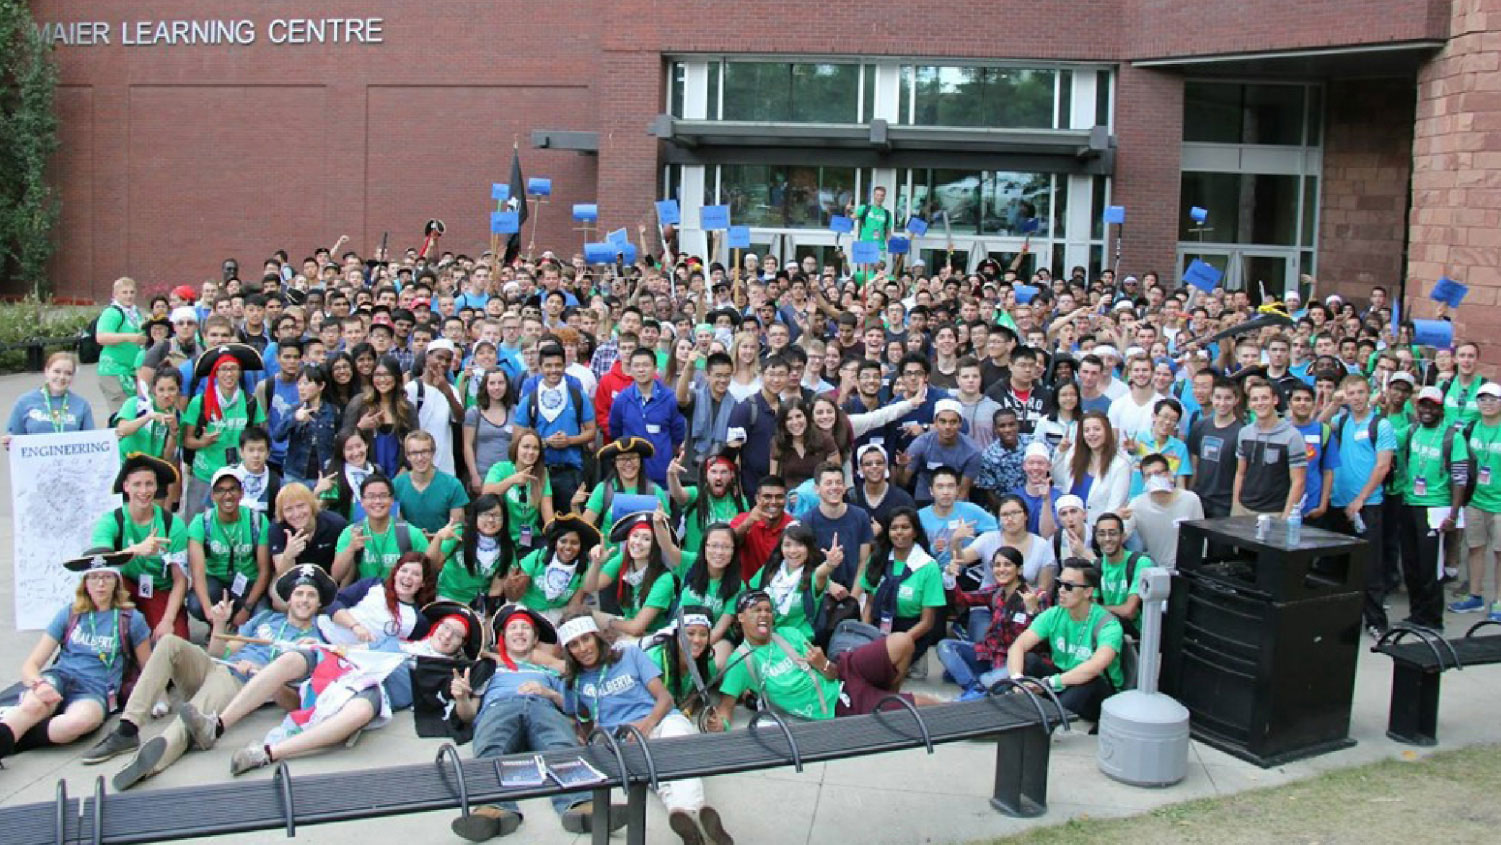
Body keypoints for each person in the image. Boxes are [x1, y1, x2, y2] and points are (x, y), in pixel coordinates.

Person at [83, 564, 335, 790]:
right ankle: (128, 728)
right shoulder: (266, 618)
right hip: (216, 666)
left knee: (194, 712)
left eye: (311, 595)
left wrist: (266, 679)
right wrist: (219, 624)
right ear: (289, 599)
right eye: (299, 594)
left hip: (239, 683)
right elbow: (219, 652)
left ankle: (151, 762)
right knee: (170, 643)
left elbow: (298, 702)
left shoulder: (314, 641)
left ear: (319, 603)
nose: (304, 600)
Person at [180, 598, 480, 776]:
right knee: (294, 657)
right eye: (445, 627)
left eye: (456, 635)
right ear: (435, 627)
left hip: (374, 688)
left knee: (362, 710)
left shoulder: (445, 672)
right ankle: (216, 725)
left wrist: (462, 696)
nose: (447, 635)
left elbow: (463, 715)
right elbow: (352, 645)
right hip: (347, 664)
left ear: (459, 647)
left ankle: (269, 753)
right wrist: (324, 645)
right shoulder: (396, 640)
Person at [449, 605, 624, 841]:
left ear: (535, 637)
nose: (519, 632)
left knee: (562, 745)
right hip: (499, 707)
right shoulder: (489, 668)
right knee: (490, 746)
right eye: (513, 628)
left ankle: (581, 804)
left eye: (526, 628)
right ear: (503, 636)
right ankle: (493, 809)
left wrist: (548, 692)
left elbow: (571, 706)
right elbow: (469, 715)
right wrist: (461, 698)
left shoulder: (551, 670)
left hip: (542, 706)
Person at [558, 613, 732, 845]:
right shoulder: (573, 682)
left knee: (675, 753)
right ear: (567, 650)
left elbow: (665, 698)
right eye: (573, 645)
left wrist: (648, 723)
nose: (582, 648)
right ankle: (697, 821)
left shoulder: (630, 654)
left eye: (586, 639)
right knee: (656, 772)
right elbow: (580, 719)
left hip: (661, 720)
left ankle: (689, 818)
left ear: (597, 637)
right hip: (627, 741)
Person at [1, 550, 152, 762]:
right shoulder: (71, 613)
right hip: (61, 677)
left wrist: (157, 699)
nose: (100, 584)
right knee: (33, 705)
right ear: (85, 583)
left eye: (106, 577)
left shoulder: (132, 619)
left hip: (96, 689)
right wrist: (39, 684)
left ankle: (12, 739)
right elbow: (31, 665)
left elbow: (149, 668)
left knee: (76, 723)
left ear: (116, 582)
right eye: (94, 577)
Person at [711, 590, 941, 727]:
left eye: (767, 610)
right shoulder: (741, 662)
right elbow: (725, 708)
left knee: (902, 642)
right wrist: (717, 724)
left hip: (845, 671)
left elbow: (831, 672)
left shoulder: (790, 634)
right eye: (755, 611)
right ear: (740, 617)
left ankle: (886, 694)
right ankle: (965, 718)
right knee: (922, 707)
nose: (763, 615)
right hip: (838, 703)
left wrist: (824, 664)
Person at [1324, 373, 1399, 635]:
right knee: (1337, 565)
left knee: (1369, 567)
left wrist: (1361, 499)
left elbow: (1383, 466)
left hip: (1367, 505)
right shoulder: (1341, 420)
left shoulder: (1380, 425)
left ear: (1369, 394)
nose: (1356, 398)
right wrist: (1333, 404)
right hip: (1337, 502)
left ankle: (1377, 622)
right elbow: (1314, 426)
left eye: (1360, 392)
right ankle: (1342, 618)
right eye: (1351, 393)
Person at [89, 453, 191, 641]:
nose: (144, 491)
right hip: (123, 587)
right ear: (126, 487)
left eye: (149, 484)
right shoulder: (112, 521)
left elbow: (180, 579)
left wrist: (168, 619)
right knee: (112, 632)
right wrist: (135, 550)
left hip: (159, 589)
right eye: (137, 484)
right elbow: (100, 564)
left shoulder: (173, 525)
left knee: (175, 641)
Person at [1006, 560, 1122, 721]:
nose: (1061, 590)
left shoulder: (1108, 624)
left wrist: (1048, 683)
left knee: (1088, 681)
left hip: (1097, 693)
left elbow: (1094, 667)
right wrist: (1017, 679)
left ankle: (1044, 723)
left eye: (1069, 586)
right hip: (1063, 680)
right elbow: (1017, 646)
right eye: (1059, 584)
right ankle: (1018, 713)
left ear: (1088, 592)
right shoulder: (1054, 614)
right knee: (1029, 661)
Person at [1400, 386, 1468, 631]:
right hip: (1409, 504)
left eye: (1432, 406)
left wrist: (1453, 514)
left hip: (1436, 508)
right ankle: (1416, 614)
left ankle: (1433, 619)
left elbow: (1460, 478)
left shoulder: (1453, 437)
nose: (1426, 411)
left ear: (1441, 409)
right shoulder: (1412, 430)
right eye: (1422, 405)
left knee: (1430, 566)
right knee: (1411, 563)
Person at [938, 545, 1045, 696]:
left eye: (1007, 564)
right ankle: (974, 688)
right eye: (997, 565)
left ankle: (980, 683)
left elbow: (1043, 640)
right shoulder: (996, 592)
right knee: (945, 646)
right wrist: (949, 576)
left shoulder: (1036, 596)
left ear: (1019, 570)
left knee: (986, 680)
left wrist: (1032, 611)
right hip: (990, 654)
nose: (1001, 569)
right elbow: (961, 599)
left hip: (1017, 662)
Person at [182, 344, 267, 519]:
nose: (229, 374)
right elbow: (187, 440)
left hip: (238, 476)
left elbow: (258, 438)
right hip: (205, 474)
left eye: (233, 368)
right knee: (195, 524)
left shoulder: (250, 402)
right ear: (216, 373)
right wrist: (203, 442)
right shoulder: (200, 402)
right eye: (223, 369)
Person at [860, 507, 946, 669]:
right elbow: (869, 605)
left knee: (884, 671)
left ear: (915, 532)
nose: (899, 532)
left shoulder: (928, 566)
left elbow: (927, 622)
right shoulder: (877, 559)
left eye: (905, 527)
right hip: (878, 629)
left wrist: (897, 644)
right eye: (894, 528)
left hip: (912, 632)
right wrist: (866, 636)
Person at [515, 343, 597, 513]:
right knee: (539, 525)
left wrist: (570, 441)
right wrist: (544, 443)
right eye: (548, 366)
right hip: (538, 472)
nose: (553, 370)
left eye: (558, 365)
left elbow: (591, 432)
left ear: (564, 365)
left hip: (571, 472)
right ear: (540, 367)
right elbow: (517, 438)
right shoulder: (530, 399)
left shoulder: (577, 396)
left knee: (571, 524)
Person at [186, 467, 271, 626]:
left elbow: (264, 570)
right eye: (220, 490)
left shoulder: (257, 521)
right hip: (215, 581)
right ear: (212, 496)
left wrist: (246, 609)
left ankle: (240, 626)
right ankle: (217, 627)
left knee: (262, 615)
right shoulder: (201, 523)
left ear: (242, 493)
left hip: (248, 582)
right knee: (196, 604)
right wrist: (209, 613)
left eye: (233, 489)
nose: (227, 495)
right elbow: (197, 572)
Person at [586, 511, 680, 638]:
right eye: (635, 536)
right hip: (626, 628)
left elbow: (637, 628)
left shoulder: (664, 579)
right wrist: (596, 563)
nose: (638, 543)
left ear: (657, 545)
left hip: (653, 638)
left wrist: (609, 622)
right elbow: (590, 587)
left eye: (646, 539)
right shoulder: (623, 559)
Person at [1454, 382, 1501, 622]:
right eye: (1483, 399)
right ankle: (1475, 595)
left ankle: (1499, 602)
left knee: (1500, 552)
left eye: (1493, 399)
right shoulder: (1471, 429)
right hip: (1475, 499)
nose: (1488, 404)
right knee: (1475, 548)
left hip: (1500, 502)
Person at [609, 347, 687, 486]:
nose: (641, 370)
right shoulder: (622, 399)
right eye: (636, 366)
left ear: (655, 368)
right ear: (630, 369)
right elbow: (616, 432)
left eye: (645, 365)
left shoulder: (669, 398)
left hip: (662, 475)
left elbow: (678, 434)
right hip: (630, 476)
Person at [332, 475, 429, 583]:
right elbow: (336, 576)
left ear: (392, 500)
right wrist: (351, 548)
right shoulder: (351, 533)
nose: (377, 501)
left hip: (401, 594)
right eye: (371, 496)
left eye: (383, 496)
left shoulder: (411, 534)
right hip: (365, 594)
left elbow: (429, 572)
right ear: (362, 501)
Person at [1232, 382, 1308, 518]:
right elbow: (1240, 473)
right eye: (1255, 399)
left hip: (1275, 513)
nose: (1260, 403)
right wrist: (1236, 506)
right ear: (1249, 404)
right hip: (1243, 510)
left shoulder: (1292, 436)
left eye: (1264, 398)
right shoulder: (1244, 433)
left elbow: (1298, 481)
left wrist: (1286, 517)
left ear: (1275, 400)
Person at [428, 494, 518, 606]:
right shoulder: (459, 534)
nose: (490, 520)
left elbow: (495, 591)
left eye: (496, 515)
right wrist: (439, 537)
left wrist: (487, 614)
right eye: (485, 514)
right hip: (447, 596)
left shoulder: (507, 548)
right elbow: (429, 564)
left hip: (478, 605)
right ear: (475, 516)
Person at [509, 515, 603, 622]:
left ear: (581, 546)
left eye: (574, 543)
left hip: (557, 615)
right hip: (525, 610)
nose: (568, 547)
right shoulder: (537, 557)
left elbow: (574, 605)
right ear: (555, 543)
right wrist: (512, 587)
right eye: (563, 541)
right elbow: (513, 597)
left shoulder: (583, 568)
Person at [1120, 454, 1203, 569]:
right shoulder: (1137, 505)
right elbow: (1121, 536)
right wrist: (1117, 518)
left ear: (1169, 474)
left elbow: (1199, 537)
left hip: (1187, 569)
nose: (1154, 479)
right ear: (1144, 480)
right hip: (1157, 569)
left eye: (1158, 473)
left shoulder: (1191, 500)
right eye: (1149, 475)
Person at [1051, 411, 1132, 529]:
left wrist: (1096, 531)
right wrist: (1061, 452)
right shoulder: (1074, 453)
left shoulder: (1120, 464)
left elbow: (1115, 505)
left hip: (1101, 530)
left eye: (1097, 429)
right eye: (1087, 430)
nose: (1091, 434)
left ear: (1107, 431)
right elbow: (1059, 481)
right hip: (1071, 526)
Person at [803, 463, 874, 596]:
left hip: (857, 589)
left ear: (845, 487)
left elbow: (864, 560)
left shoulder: (860, 516)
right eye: (828, 483)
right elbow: (804, 564)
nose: (834, 487)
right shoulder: (807, 520)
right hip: (820, 590)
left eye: (838, 482)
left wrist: (854, 597)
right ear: (817, 489)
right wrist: (828, 585)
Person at [482, 429, 555, 556]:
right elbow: (486, 493)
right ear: (516, 448)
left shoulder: (542, 473)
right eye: (526, 447)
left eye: (535, 448)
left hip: (529, 538)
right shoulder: (500, 468)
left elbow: (547, 509)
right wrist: (512, 480)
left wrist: (555, 535)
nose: (530, 452)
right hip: (502, 537)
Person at [727, 352, 789, 495]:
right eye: (771, 374)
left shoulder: (787, 410)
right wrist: (737, 486)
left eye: (781, 375)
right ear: (761, 376)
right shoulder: (746, 407)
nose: (776, 379)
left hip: (780, 487)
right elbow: (733, 449)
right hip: (751, 488)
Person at [899, 399, 982, 505]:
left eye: (953, 422)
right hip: (924, 497)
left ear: (960, 424)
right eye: (943, 421)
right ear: (935, 423)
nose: (947, 427)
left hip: (956, 500)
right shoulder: (921, 443)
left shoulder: (972, 451)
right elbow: (902, 482)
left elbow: (963, 491)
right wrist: (901, 467)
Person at [5, 352, 94, 445]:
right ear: (46, 371)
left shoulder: (82, 405)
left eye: (68, 373)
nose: (62, 377)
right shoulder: (24, 402)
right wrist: (8, 442)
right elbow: (14, 439)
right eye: (57, 371)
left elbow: (91, 441)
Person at [273, 363, 339, 487]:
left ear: (321, 386)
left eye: (306, 383)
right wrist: (295, 418)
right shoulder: (294, 409)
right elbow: (277, 435)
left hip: (323, 476)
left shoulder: (333, 411)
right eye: (299, 384)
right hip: (295, 474)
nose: (301, 388)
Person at [668, 451, 748, 555]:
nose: (718, 477)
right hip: (695, 564)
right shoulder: (696, 494)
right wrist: (672, 476)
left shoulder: (740, 502)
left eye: (723, 472)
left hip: (726, 564)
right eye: (713, 472)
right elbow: (679, 495)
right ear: (706, 475)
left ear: (731, 475)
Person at [393, 429, 470, 535]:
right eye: (414, 453)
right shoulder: (396, 486)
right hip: (408, 547)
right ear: (407, 456)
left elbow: (456, 528)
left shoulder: (453, 485)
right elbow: (396, 528)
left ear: (433, 452)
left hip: (444, 547)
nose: (420, 458)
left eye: (425, 452)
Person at [582, 437, 671, 525]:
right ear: (615, 463)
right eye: (622, 459)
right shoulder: (603, 490)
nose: (628, 463)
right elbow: (585, 527)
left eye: (633, 458)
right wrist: (574, 507)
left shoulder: (655, 491)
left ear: (640, 461)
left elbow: (667, 527)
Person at [1092, 513, 1154, 636]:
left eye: (1113, 533)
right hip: (1106, 630)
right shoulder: (1097, 565)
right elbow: (1091, 607)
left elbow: (1129, 611)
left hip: (1136, 637)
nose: (1107, 538)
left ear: (1123, 536)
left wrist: (1099, 609)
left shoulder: (1140, 563)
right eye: (1102, 534)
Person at [730, 474, 795, 581]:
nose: (773, 502)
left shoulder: (793, 525)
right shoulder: (742, 520)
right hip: (746, 589)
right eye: (767, 496)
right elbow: (728, 545)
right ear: (757, 498)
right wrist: (747, 523)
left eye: (779, 497)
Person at [95, 276, 145, 414]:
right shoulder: (112, 313)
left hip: (131, 370)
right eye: (124, 292)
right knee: (121, 412)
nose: (129, 296)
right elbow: (101, 337)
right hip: (114, 370)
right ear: (115, 294)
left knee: (134, 410)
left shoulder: (136, 313)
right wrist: (129, 337)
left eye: (132, 292)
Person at [463, 367, 517, 494]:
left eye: (501, 383)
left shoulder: (515, 411)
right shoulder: (473, 413)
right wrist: (474, 475)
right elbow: (467, 445)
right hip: (483, 476)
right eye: (492, 383)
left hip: (509, 475)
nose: (496, 387)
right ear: (485, 386)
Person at [975, 407, 1027, 508]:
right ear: (995, 429)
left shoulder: (1032, 444)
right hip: (1003, 505)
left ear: (1018, 425)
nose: (1007, 430)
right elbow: (989, 491)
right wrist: (1003, 512)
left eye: (1011, 424)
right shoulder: (989, 455)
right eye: (1002, 426)